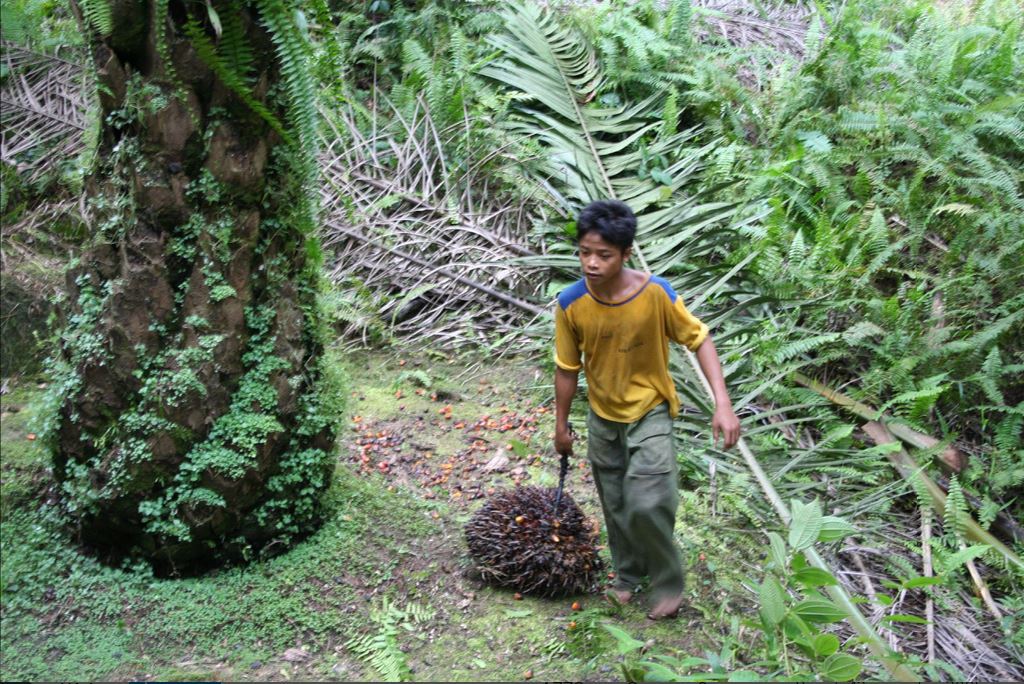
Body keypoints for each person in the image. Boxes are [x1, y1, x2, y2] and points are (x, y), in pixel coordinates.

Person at [552, 199, 740, 620]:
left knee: (648, 500)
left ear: (625, 253)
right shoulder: (570, 303)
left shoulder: (656, 294)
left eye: (603, 255)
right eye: (585, 252)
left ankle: (667, 582)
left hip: (650, 411)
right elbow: (567, 368)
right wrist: (561, 425)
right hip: (602, 415)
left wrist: (722, 405)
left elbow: (700, 340)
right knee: (616, 502)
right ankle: (627, 576)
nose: (592, 263)